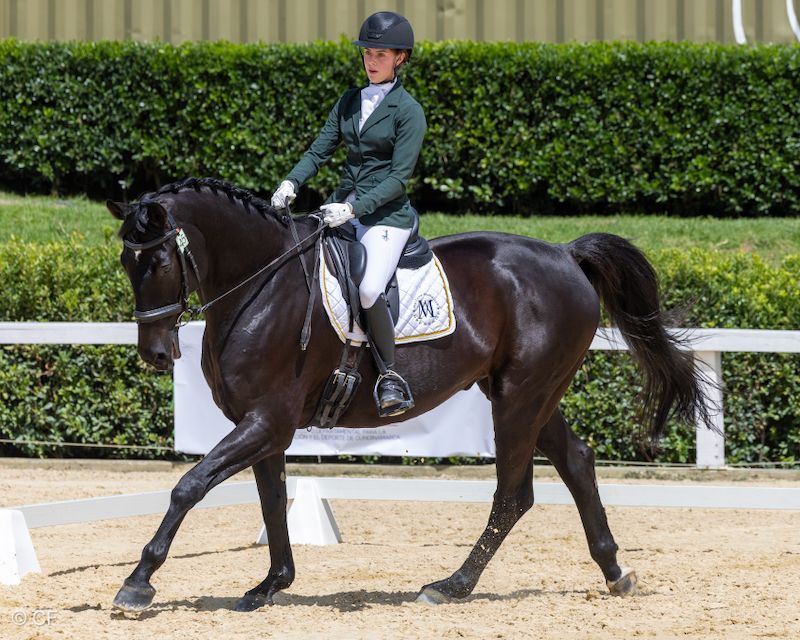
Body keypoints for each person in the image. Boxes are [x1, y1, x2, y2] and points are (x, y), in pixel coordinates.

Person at [271, 11, 426, 417]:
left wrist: (354, 208)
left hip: (385, 217)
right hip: (340, 207)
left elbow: (398, 179)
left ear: (400, 58)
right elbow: (319, 150)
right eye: (367, 53)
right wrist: (291, 182)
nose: (371, 61)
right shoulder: (348, 101)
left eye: (380, 55)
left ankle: (390, 375)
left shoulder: (409, 111)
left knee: (370, 289)